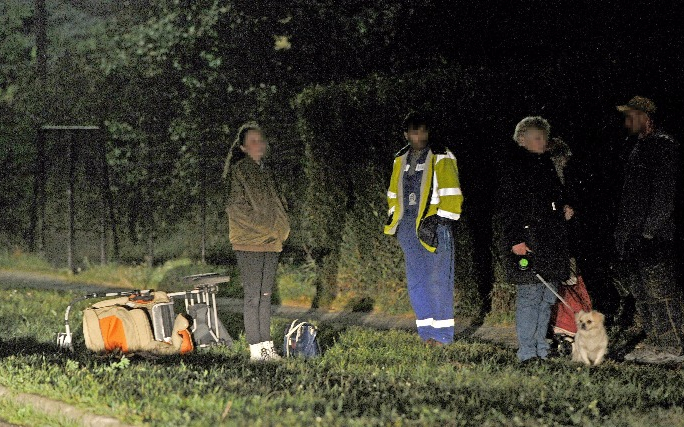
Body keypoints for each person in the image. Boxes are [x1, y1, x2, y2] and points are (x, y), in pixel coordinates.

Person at [384, 111, 463, 346]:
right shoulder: (400, 159)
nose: (418, 135)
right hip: (408, 228)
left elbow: (452, 194)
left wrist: (439, 221)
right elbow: (392, 195)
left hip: (434, 226)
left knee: (438, 281)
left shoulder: (441, 155)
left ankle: (443, 337)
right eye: (413, 131)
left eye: (422, 130)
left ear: (428, 132)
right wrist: (396, 223)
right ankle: (426, 334)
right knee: (417, 281)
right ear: (406, 134)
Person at [497, 116, 571, 363]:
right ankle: (527, 351)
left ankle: (541, 347)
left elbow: (550, 200)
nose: (542, 142)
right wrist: (515, 239)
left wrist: (562, 209)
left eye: (544, 137)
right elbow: (508, 208)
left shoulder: (546, 164)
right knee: (530, 296)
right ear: (522, 140)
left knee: (547, 297)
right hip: (528, 241)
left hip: (550, 242)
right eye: (537, 138)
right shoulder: (513, 167)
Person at [613, 96, 684, 356]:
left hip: (654, 236)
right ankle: (657, 342)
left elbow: (664, 195)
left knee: (661, 293)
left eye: (631, 116)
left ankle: (674, 344)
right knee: (642, 293)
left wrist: (649, 231)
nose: (627, 122)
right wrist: (624, 235)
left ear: (645, 117)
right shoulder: (637, 147)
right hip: (633, 236)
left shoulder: (663, 146)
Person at [224, 122, 290, 361]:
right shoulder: (240, 171)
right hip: (249, 243)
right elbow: (237, 209)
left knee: (265, 296)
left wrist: (282, 230)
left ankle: (267, 347)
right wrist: (269, 228)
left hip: (271, 243)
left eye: (260, 139)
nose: (258, 144)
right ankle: (255, 349)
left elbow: (279, 207)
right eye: (252, 141)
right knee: (253, 296)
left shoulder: (267, 171)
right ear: (242, 147)